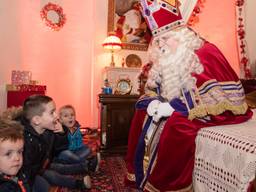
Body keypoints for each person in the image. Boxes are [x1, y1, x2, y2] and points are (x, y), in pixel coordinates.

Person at [125, 0, 253, 191]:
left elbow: (217, 98)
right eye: (157, 41)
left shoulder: (205, 52)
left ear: (181, 35)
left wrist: (172, 108)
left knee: (177, 126)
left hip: (215, 110)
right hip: (178, 106)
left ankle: (167, 184)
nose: (161, 45)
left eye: (166, 38)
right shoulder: (166, 56)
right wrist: (152, 102)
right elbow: (155, 89)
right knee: (141, 111)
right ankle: (138, 175)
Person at [16, 95, 91, 191]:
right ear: (37, 120)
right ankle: (83, 170)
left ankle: (79, 180)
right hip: (27, 176)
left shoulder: (48, 131)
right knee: (48, 181)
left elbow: (59, 150)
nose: (56, 116)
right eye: (52, 113)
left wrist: (61, 134)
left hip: (41, 167)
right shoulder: (24, 140)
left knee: (52, 174)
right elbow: (24, 172)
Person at [57, 104, 100, 172]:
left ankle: (74, 162)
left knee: (88, 149)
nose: (70, 117)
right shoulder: (60, 129)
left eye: (72, 115)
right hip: (67, 152)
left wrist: (81, 146)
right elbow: (61, 145)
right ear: (61, 120)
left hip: (77, 151)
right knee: (65, 153)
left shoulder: (76, 127)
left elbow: (79, 140)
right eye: (66, 116)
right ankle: (87, 163)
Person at [0, 119, 30, 192]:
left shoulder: (15, 173)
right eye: (8, 154)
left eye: (19, 152)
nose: (17, 158)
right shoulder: (5, 188)